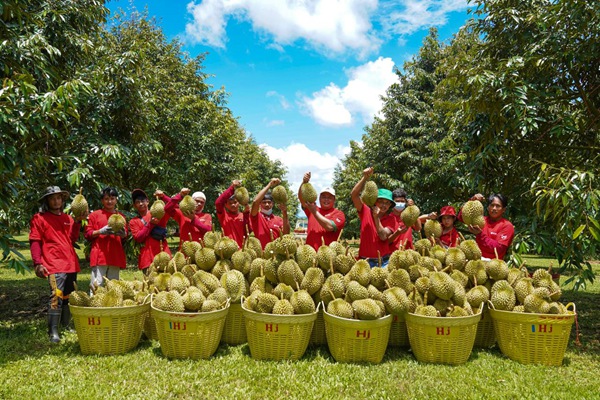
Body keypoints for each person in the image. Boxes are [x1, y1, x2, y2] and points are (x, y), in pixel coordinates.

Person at [29, 186, 88, 342]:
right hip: (53, 264)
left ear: (63, 200)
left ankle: (66, 324)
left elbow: (73, 239)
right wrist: (37, 263)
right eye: (52, 198)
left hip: (70, 263)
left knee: (69, 295)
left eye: (58, 198)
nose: (56, 201)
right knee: (56, 296)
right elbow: (35, 241)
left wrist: (77, 222)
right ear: (47, 201)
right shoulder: (39, 218)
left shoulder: (68, 218)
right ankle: (53, 331)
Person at [84, 187, 128, 293]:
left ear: (116, 200)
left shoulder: (120, 216)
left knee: (114, 286)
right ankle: (95, 308)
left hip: (115, 255)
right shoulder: (95, 215)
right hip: (100, 255)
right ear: (102, 200)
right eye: (106, 198)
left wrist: (123, 234)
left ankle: (111, 309)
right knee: (97, 285)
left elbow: (125, 236)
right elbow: (88, 234)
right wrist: (100, 231)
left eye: (112, 198)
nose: (109, 201)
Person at [351, 167, 396, 267]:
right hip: (364, 262)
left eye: (387, 203)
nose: (384, 205)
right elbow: (354, 195)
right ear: (375, 201)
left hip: (383, 262)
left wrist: (376, 218)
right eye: (381, 201)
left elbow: (383, 236)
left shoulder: (391, 219)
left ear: (390, 206)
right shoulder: (365, 211)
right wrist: (364, 178)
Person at [297, 172, 346, 250]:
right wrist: (304, 183)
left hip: (329, 258)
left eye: (329, 197)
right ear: (319, 198)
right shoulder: (313, 208)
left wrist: (314, 212)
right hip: (310, 255)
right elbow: (301, 198)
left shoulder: (339, 214)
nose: (326, 200)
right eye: (323, 197)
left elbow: (329, 227)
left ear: (334, 200)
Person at [459, 193, 515, 260]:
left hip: (493, 264)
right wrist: (472, 200)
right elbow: (461, 217)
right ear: (488, 207)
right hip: (477, 261)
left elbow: (499, 248)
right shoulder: (481, 220)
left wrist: (480, 235)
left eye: (498, 206)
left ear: (504, 209)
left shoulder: (507, 226)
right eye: (492, 205)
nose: (494, 208)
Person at [128, 189, 172, 273]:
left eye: (142, 201)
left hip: (164, 256)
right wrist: (150, 224)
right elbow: (138, 237)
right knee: (150, 285)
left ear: (147, 201)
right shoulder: (133, 221)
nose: (141, 204)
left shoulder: (158, 212)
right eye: (137, 202)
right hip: (147, 259)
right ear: (134, 205)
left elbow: (172, 206)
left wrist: (163, 196)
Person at [250, 178, 290, 249]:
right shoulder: (256, 217)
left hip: (276, 255)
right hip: (260, 256)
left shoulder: (279, 219)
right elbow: (255, 201)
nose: (267, 204)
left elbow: (286, 233)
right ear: (260, 204)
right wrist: (270, 184)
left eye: (269, 202)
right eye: (264, 202)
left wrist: (285, 213)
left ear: (273, 204)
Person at [215, 180, 251, 248]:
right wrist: (232, 187)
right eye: (230, 203)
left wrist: (246, 214)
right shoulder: (224, 216)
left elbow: (248, 231)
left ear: (239, 203)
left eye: (235, 202)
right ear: (225, 205)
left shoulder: (244, 215)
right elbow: (218, 203)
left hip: (242, 251)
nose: (233, 205)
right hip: (227, 251)